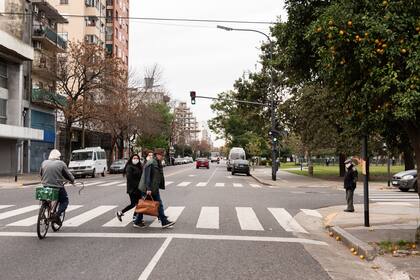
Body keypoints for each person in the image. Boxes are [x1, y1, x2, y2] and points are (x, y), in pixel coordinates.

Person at [136, 148, 175, 228]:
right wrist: (148, 188)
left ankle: (137, 221)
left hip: (153, 187)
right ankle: (164, 221)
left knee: (144, 204)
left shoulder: (157, 162)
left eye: (163, 155)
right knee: (156, 204)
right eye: (161, 155)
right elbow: (147, 177)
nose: (162, 157)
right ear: (157, 155)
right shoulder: (151, 162)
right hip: (148, 188)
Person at [40, 149, 75, 225]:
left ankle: (43, 209)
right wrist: (72, 180)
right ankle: (57, 215)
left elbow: (41, 174)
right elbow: (68, 175)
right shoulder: (61, 163)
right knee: (64, 201)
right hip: (57, 187)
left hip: (45, 186)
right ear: (58, 156)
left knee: (45, 198)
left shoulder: (44, 162)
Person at [116, 154, 143, 224]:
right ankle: (132, 216)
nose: (136, 159)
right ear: (131, 159)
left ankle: (132, 216)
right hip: (133, 189)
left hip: (138, 189)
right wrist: (138, 187)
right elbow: (130, 179)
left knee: (137, 204)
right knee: (134, 204)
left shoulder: (139, 166)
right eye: (134, 158)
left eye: (137, 158)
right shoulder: (129, 167)